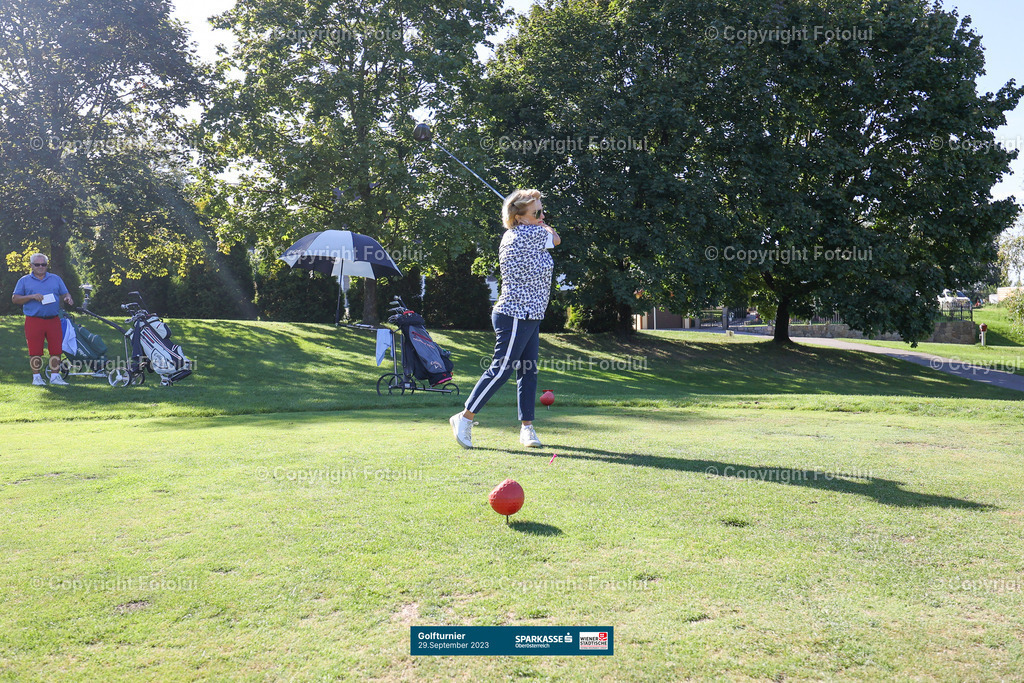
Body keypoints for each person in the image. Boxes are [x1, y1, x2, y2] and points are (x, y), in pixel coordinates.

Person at [450, 189, 561, 449]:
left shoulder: (520, 232)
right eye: (537, 212)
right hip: (515, 314)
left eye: (543, 211)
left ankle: (527, 428)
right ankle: (464, 417)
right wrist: (544, 226)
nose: (543, 216)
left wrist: (537, 220)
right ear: (519, 217)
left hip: (531, 314)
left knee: (528, 371)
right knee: (501, 370)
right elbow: (556, 239)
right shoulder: (529, 234)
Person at [11, 253, 74, 386]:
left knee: (56, 349)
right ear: (31, 265)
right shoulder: (24, 280)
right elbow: (15, 299)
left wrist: (68, 297)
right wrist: (31, 296)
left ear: (47, 265)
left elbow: (65, 293)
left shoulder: (55, 279)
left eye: (43, 264)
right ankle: (37, 378)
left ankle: (55, 377)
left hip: (53, 319)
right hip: (34, 320)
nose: (41, 267)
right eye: (37, 264)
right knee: (35, 350)